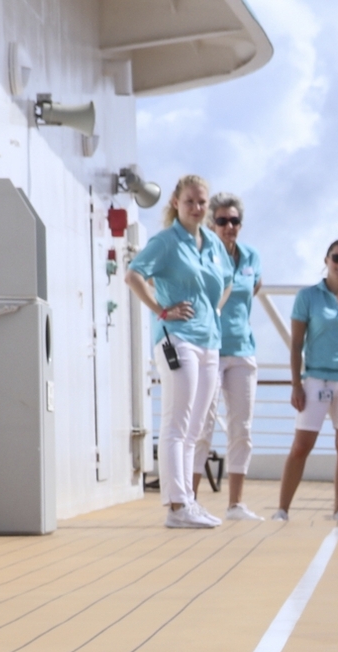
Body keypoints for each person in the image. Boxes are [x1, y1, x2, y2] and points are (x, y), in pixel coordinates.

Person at [124, 173, 228, 530]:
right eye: (190, 202)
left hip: (209, 341)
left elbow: (225, 283)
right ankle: (176, 505)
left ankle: (188, 501)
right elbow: (133, 274)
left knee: (197, 427)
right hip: (176, 338)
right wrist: (160, 310)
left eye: (202, 202)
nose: (197, 208)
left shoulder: (213, 244)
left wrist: (213, 311)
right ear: (175, 203)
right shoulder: (166, 242)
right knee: (177, 421)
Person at [276, 240, 338, 521]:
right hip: (316, 378)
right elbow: (296, 345)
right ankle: (282, 510)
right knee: (301, 445)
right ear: (327, 259)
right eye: (337, 258)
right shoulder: (308, 297)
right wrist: (296, 384)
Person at [192, 192, 263, 521]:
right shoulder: (203, 254)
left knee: (242, 429)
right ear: (211, 224)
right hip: (210, 348)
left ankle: (235, 504)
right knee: (202, 427)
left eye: (234, 221)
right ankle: (189, 499)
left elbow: (253, 289)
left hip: (242, 352)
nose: (229, 226)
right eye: (221, 221)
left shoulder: (251, 257)